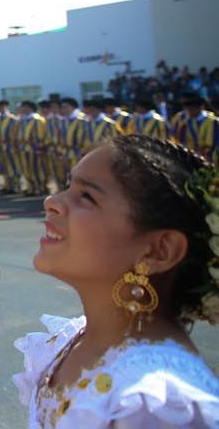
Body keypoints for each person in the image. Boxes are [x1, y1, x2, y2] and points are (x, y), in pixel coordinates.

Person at [13, 136, 219, 427]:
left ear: (159, 250)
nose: (52, 201)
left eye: (87, 196)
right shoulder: (74, 340)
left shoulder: (159, 404)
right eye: (69, 186)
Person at [178, 95, 217, 163]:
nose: (189, 112)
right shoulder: (186, 123)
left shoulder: (214, 122)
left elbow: (215, 144)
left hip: (212, 159)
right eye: (188, 110)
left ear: (201, 108)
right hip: (194, 159)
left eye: (192, 110)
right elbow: (182, 141)